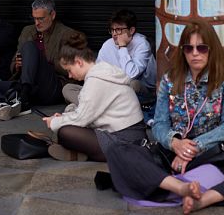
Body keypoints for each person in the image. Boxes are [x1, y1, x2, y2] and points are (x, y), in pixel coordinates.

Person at [98, 19, 224, 214]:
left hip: (212, 155)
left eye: (201, 48)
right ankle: (181, 188)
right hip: (170, 155)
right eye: (189, 48)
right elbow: (159, 124)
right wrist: (175, 143)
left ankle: (203, 199)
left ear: (211, 50)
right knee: (118, 150)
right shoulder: (169, 79)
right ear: (183, 51)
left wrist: (193, 148)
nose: (195, 53)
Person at [42, 33, 146, 161]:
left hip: (126, 141)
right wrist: (64, 117)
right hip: (131, 135)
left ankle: (80, 152)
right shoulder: (102, 71)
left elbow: (81, 119)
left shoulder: (96, 80)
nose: (69, 75)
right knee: (67, 126)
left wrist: (54, 122)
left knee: (64, 131)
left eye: (69, 70)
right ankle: (79, 153)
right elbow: (88, 113)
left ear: (79, 62)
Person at [0, 0, 81, 119]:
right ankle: (1, 105)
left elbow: (74, 70)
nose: (37, 23)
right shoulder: (27, 31)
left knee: (29, 47)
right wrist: (17, 65)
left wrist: (37, 59)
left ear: (52, 15)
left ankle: (23, 99)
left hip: (51, 87)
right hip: (26, 85)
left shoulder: (68, 34)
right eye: (34, 18)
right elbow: (14, 63)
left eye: (41, 18)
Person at [91, 8, 157, 109]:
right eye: (112, 30)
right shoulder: (107, 45)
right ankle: (101, 105)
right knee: (69, 89)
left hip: (144, 92)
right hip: (113, 88)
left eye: (118, 30)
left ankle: (98, 106)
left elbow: (131, 75)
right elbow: (97, 71)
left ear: (131, 30)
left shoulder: (142, 44)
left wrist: (122, 47)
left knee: (132, 84)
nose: (114, 34)